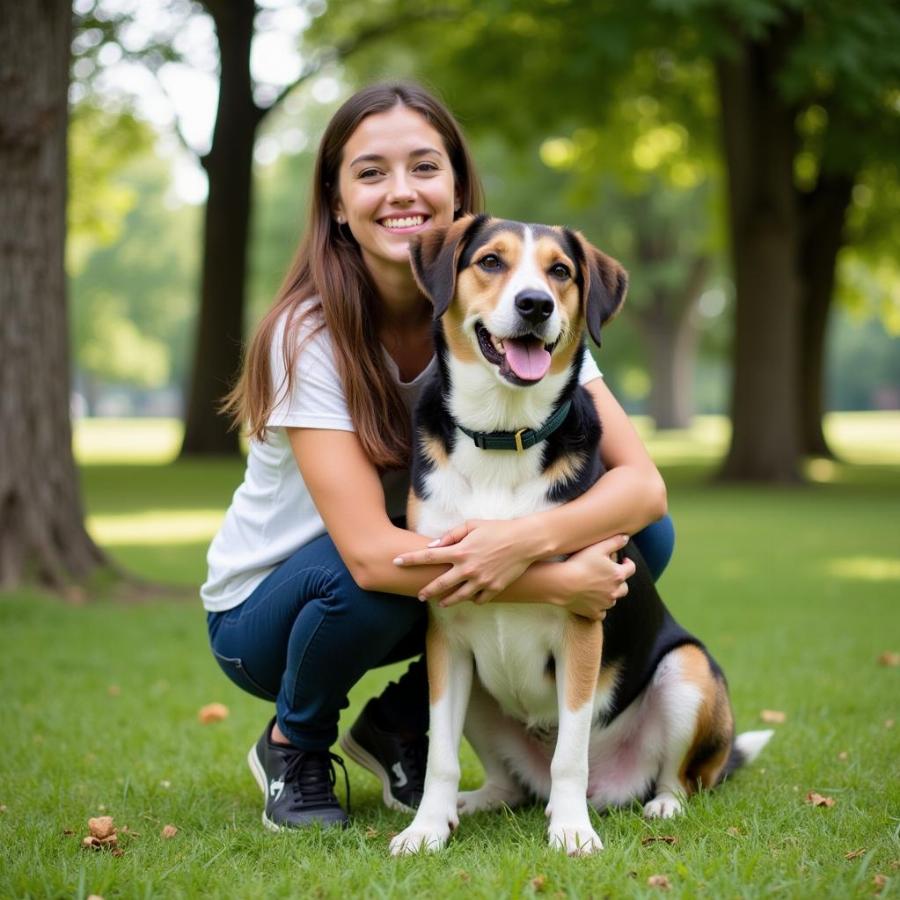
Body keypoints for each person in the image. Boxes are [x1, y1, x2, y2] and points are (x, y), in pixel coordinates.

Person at [201, 82, 673, 832]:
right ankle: (296, 743)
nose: (401, 191)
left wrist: (530, 543)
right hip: (278, 608)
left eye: (424, 166)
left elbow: (644, 490)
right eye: (370, 172)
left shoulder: (527, 315)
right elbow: (367, 558)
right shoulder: (307, 335)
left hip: (420, 559)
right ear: (334, 200)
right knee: (381, 582)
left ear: (456, 186)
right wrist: (557, 580)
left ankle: (394, 722)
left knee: (636, 542)